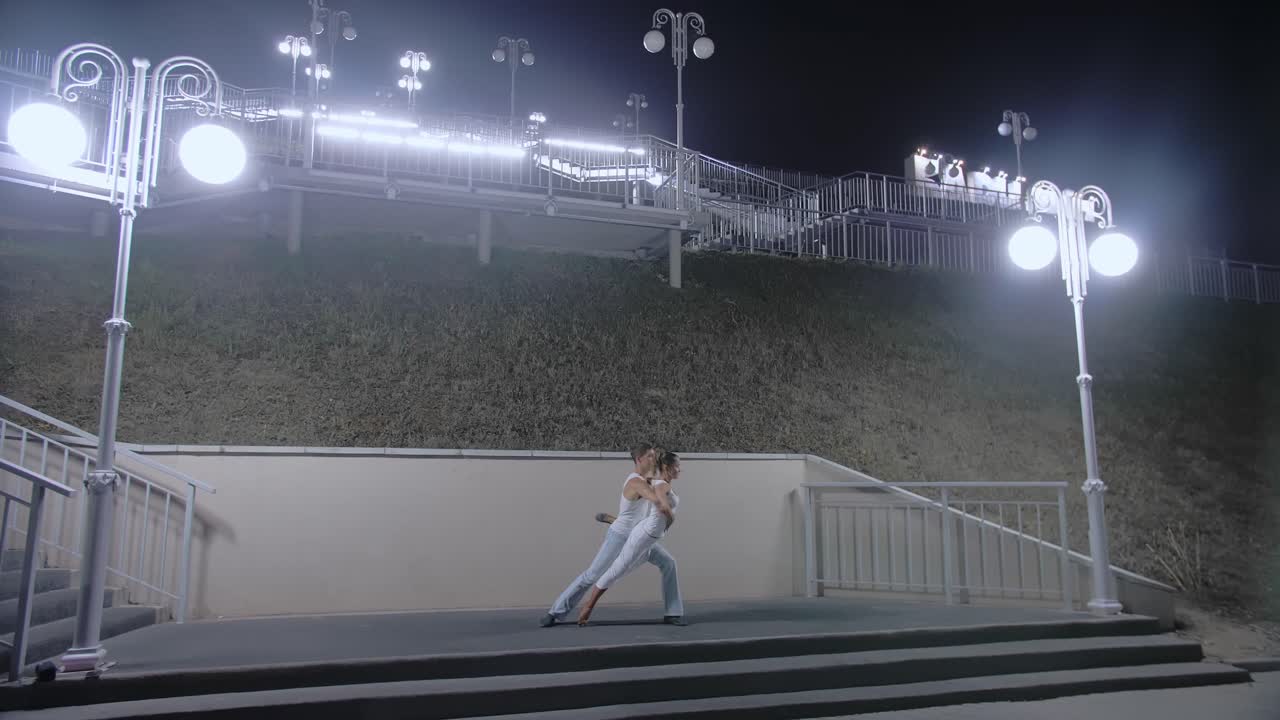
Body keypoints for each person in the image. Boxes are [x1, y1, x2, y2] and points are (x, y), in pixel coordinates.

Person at [541, 443, 684, 627]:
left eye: (654, 456)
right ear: (639, 459)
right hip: (620, 536)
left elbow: (653, 492)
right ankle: (555, 612)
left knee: (668, 563)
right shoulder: (636, 482)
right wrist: (669, 515)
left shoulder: (648, 480)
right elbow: (657, 501)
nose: (653, 459)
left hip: (638, 536)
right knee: (592, 576)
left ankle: (673, 613)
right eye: (649, 456)